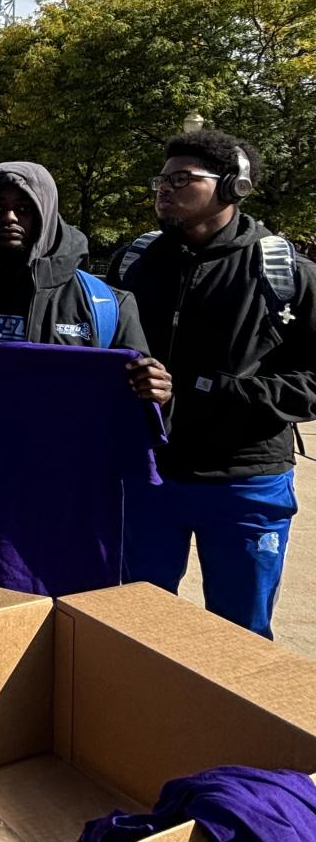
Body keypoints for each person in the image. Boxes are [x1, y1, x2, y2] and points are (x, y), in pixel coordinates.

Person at [107, 130, 316, 638]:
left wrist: (199, 390)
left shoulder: (287, 272)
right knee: (136, 627)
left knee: (239, 636)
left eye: (182, 179)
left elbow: (311, 385)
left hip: (246, 483)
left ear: (233, 186)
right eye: (161, 179)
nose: (164, 189)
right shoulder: (134, 263)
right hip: (148, 474)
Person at [0, 161, 172, 410]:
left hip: (64, 456)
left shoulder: (107, 307)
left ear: (45, 213)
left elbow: (138, 419)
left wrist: (160, 397)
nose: (9, 217)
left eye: (24, 208)